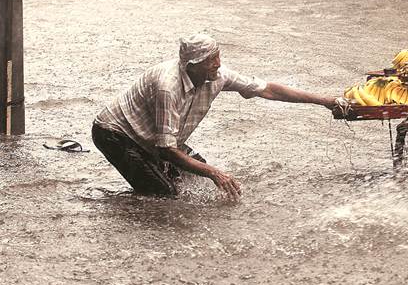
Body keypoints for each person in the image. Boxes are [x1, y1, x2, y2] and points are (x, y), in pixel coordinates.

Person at [92, 33, 338, 199]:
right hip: (116, 134)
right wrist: (214, 171)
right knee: (164, 197)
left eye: (218, 56)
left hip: (154, 138)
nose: (218, 64)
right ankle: (124, 210)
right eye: (211, 60)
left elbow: (268, 89)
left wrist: (325, 101)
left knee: (199, 185)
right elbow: (166, 149)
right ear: (191, 65)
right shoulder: (168, 85)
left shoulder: (218, 76)